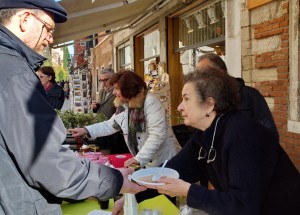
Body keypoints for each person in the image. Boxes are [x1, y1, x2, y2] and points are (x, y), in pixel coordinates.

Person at [0, 1, 145, 214]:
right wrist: (111, 180)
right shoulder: (16, 74)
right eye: (48, 29)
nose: (50, 38)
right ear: (25, 19)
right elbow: (50, 165)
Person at [144, 68, 300, 215]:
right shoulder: (203, 135)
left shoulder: (242, 134)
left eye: (186, 99)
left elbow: (242, 206)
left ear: (209, 105)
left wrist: (189, 191)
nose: (179, 107)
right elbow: (173, 170)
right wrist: (134, 183)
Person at [70, 70, 181, 168]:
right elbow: (111, 125)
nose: (114, 92)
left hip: (164, 162)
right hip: (145, 161)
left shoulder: (151, 103)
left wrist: (139, 159)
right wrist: (85, 130)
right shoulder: (125, 105)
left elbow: (157, 136)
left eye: (117, 89)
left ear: (128, 89)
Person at [197, 53, 279, 141]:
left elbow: (271, 135)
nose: (200, 79)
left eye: (204, 73)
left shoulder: (250, 95)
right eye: (198, 75)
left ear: (221, 72)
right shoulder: (207, 100)